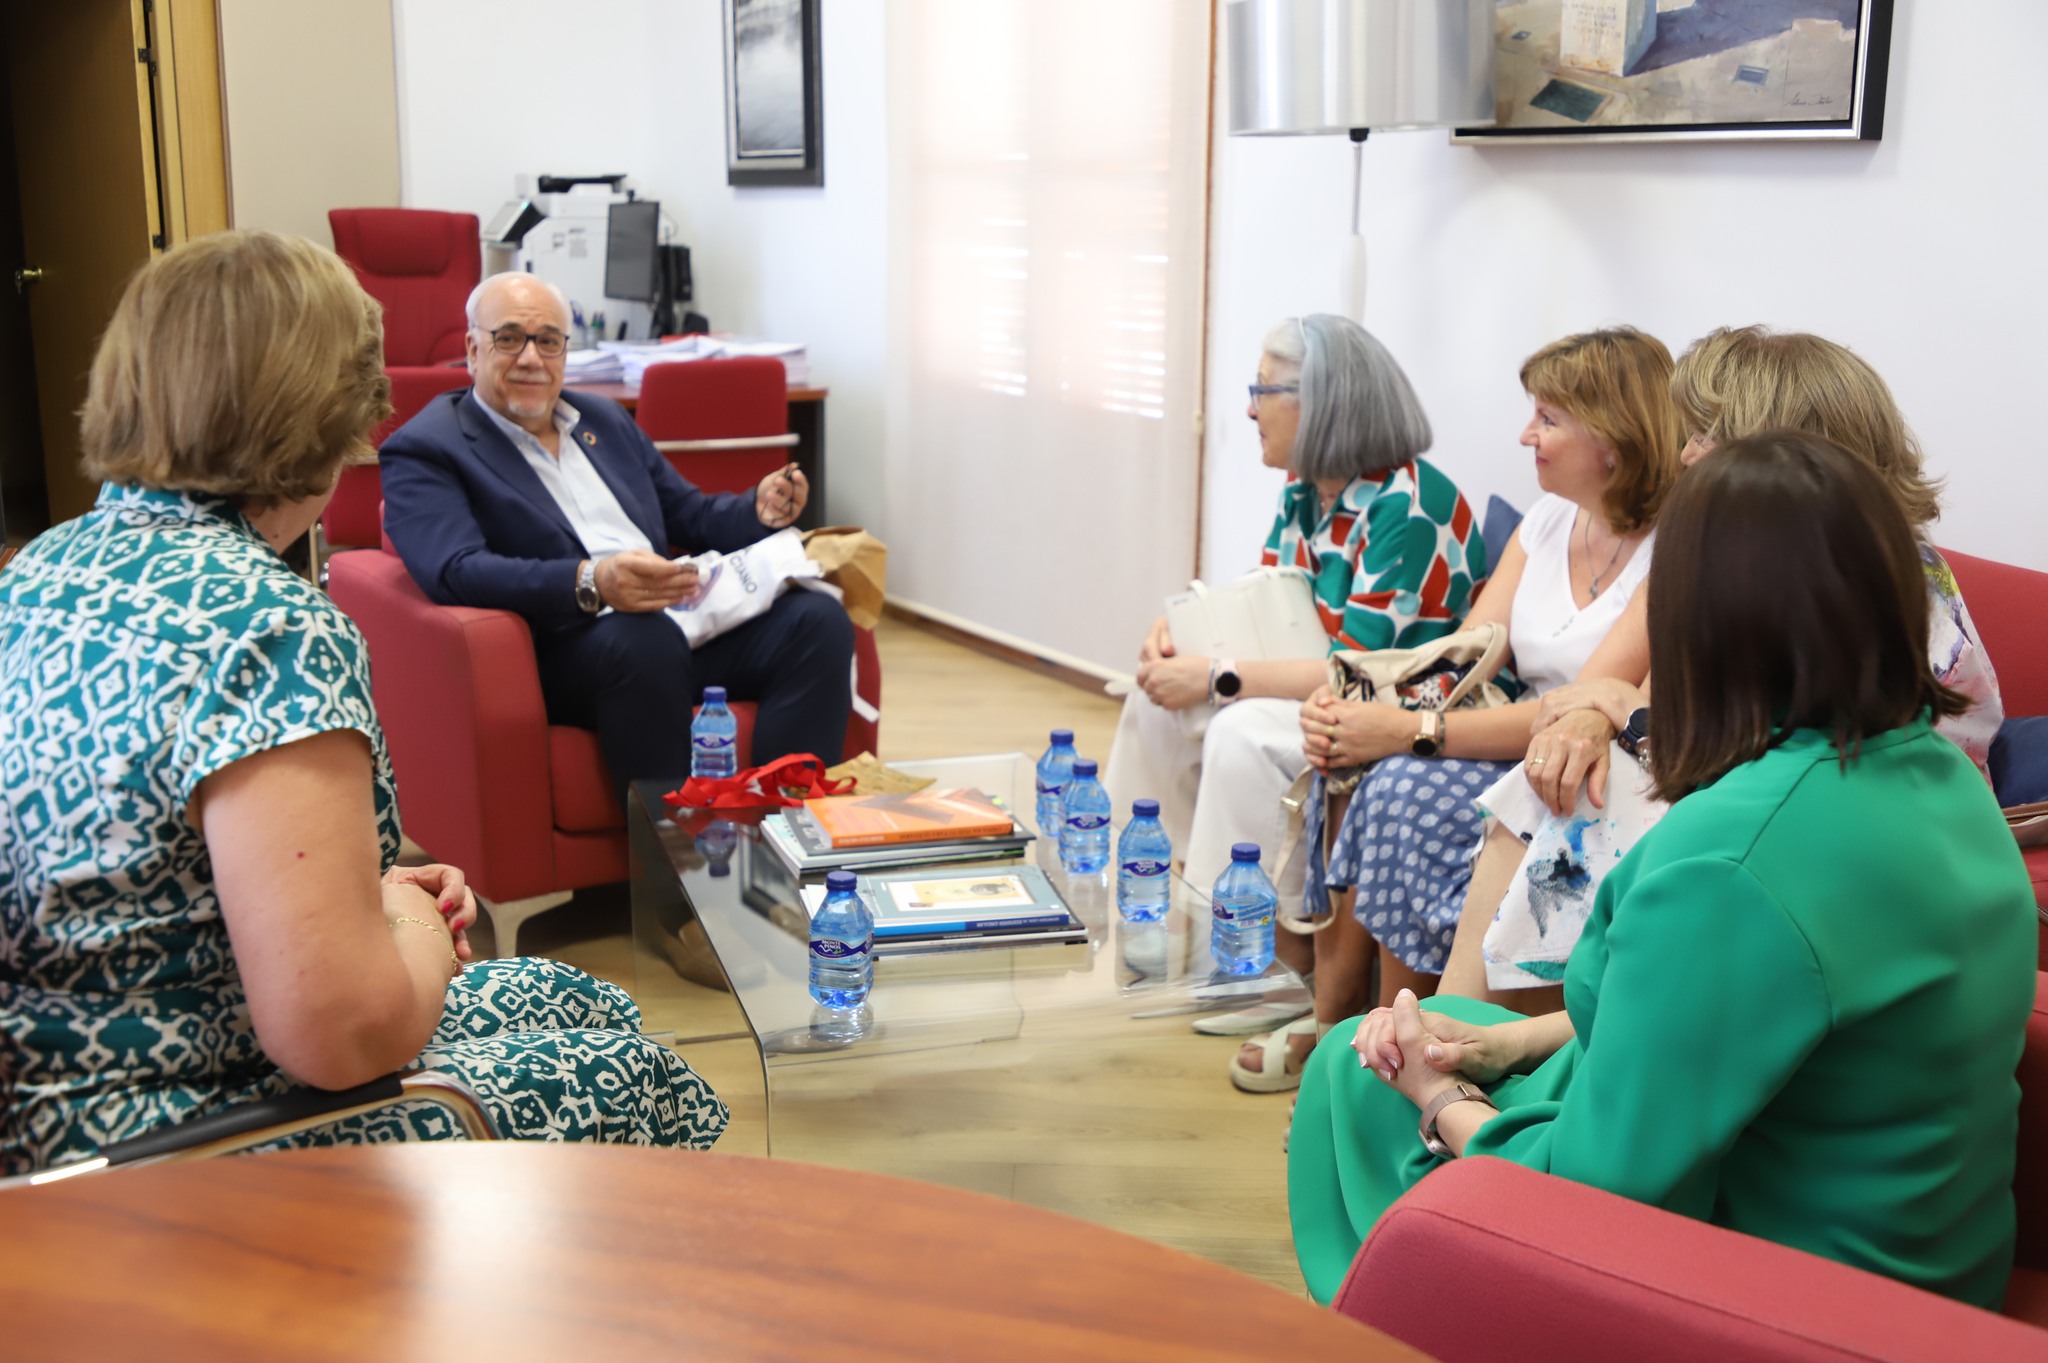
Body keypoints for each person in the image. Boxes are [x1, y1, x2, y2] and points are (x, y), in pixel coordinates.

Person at [0, 231, 725, 1176]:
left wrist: (364, 896)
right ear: (327, 411)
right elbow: (344, 1033)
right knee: (631, 1071)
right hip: (167, 1136)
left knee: (581, 996)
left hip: (58, 1091)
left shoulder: (40, 567)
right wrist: (406, 917)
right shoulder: (266, 626)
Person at [1289, 432, 2037, 1311]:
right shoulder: (1943, 774)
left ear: (1697, 623)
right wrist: (1510, 1042)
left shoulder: (1731, 860)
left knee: (1353, 1070)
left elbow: (1588, 1200)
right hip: (1930, 1256)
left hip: (1786, 1289)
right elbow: (1743, 1031)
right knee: (1448, 1027)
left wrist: (1436, 1092)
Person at [1443, 327, 2006, 1005]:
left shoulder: (1868, 585)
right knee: (1561, 777)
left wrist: (1626, 712)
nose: (1685, 454)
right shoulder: (1772, 562)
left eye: (1705, 434)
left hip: (1859, 840)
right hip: (1777, 803)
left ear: (1780, 451)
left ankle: (1468, 1040)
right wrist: (1601, 713)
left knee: (1581, 799)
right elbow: (1664, 707)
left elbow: (1792, 773)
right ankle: (1455, 1031)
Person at [1268, 327, 1680, 1092]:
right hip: (1512, 730)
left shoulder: (1672, 552)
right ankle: (1349, 1031)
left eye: (1548, 418)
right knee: (1360, 763)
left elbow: (1575, 713)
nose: (1527, 435)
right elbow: (1462, 659)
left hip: (1574, 751)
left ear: (1614, 440)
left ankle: (1410, 1045)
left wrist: (1408, 730)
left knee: (1400, 783)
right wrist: (1358, 698)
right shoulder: (1547, 520)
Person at [1101, 315, 1487, 1078]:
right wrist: (1176, 639)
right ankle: (1152, 915)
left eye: (1264, 389)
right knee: (1154, 700)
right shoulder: (1307, 489)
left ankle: (1254, 964)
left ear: (1324, 403)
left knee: (1239, 728)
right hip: (1322, 687)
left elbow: (1358, 670)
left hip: (1391, 703)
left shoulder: (1410, 506)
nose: (1249, 408)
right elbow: (1262, 610)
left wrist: (1216, 674)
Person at [380, 272, 854, 793]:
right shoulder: (428, 447)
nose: (531, 358)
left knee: (817, 620)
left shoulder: (601, 419)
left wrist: (756, 510)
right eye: (509, 338)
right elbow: (456, 570)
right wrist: (592, 582)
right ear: (473, 349)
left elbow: (686, 512)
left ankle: (788, 820)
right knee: (643, 639)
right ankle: (671, 838)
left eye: (548, 341)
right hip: (564, 648)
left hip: (670, 626)